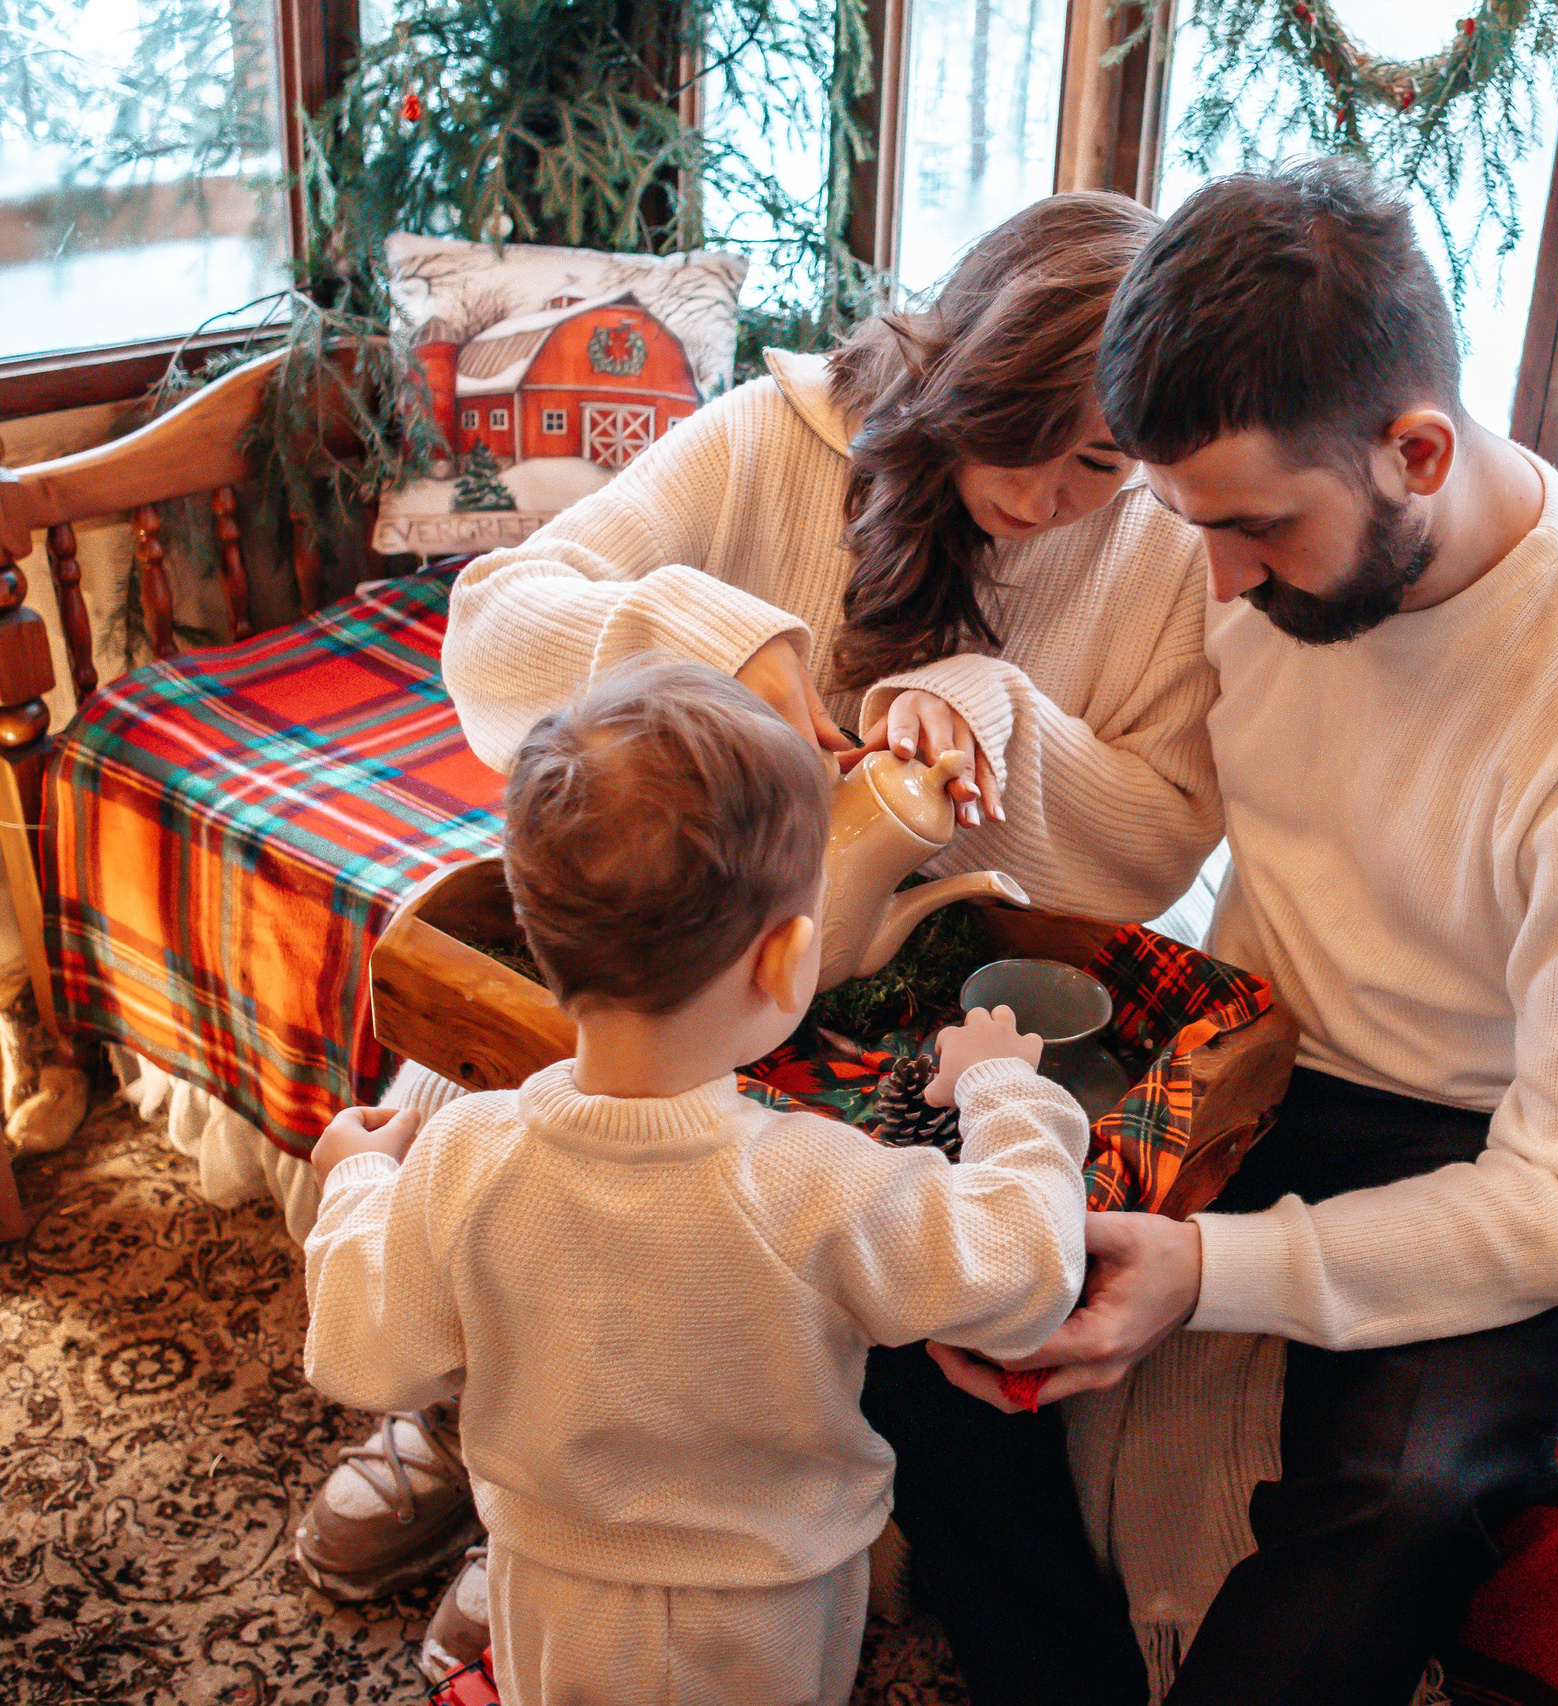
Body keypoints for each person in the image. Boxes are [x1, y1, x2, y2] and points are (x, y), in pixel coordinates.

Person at [862, 160, 1558, 1705]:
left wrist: (1212, 1271)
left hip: (1476, 1139)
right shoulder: (1239, 545)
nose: (1215, 583)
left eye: (1258, 531)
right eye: (1185, 521)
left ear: (1416, 450)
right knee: (911, 1275)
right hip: (1240, 1033)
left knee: (1400, 1501)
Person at [294, 191, 1223, 1634]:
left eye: (1099, 461)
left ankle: (573, 1507)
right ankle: (473, 1421)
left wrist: (995, 715)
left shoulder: (1156, 550)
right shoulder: (775, 440)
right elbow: (491, 636)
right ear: (951, 361)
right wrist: (720, 649)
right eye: (1017, 437)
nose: (1047, 497)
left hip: (895, 1004)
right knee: (540, 1085)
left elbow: (1156, 845)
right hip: (679, 972)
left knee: (753, 1218)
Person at [300, 657, 1093, 1704]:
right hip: (773, 1606)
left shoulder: (464, 1154)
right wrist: (1006, 1092)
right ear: (785, 960)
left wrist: (358, 1184)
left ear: (538, 941)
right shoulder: (819, 1179)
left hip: (549, 1590)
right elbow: (1026, 1268)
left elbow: (363, 1350)